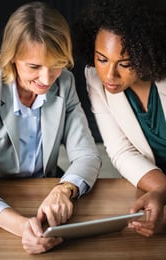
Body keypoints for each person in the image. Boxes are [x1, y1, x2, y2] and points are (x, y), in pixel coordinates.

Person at [0, 2, 101, 255]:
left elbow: (87, 155)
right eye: (34, 67)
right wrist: (20, 226)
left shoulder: (65, 82)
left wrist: (63, 189)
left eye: (56, 64)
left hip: (47, 191)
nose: (47, 79)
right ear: (11, 58)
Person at [73, 0, 166, 238]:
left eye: (124, 64)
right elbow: (121, 151)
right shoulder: (95, 78)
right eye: (101, 59)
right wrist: (162, 189)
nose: (109, 74)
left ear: (147, 54)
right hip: (153, 185)